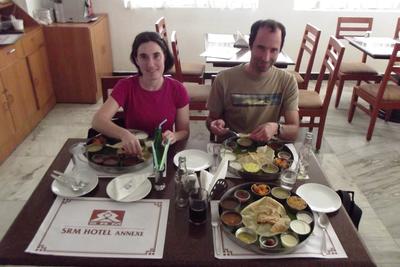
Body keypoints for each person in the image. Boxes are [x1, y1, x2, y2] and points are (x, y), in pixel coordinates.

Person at [92, 31, 190, 155]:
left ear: (164, 56)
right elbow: (97, 120)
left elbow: (184, 132)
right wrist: (124, 134)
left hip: (162, 153)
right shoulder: (126, 86)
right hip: (132, 153)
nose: (150, 64)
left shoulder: (178, 89)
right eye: (143, 57)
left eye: (156, 56)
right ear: (136, 60)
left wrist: (174, 136)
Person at [206, 19, 299, 142]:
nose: (266, 58)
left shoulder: (287, 81)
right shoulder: (223, 79)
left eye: (273, 50)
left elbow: (294, 130)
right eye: (261, 48)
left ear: (280, 50)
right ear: (250, 45)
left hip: (266, 151)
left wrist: (276, 128)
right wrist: (215, 124)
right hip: (231, 147)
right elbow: (211, 120)